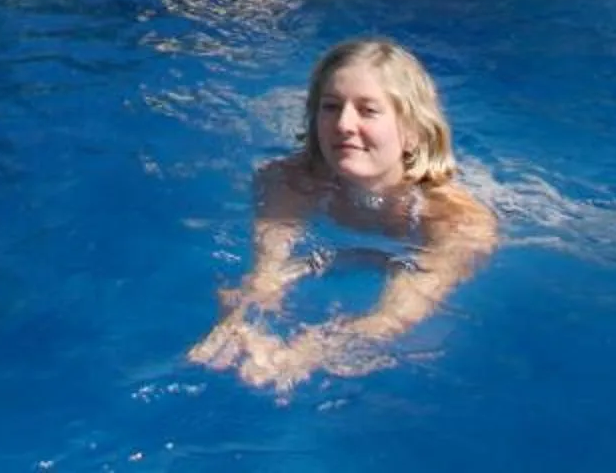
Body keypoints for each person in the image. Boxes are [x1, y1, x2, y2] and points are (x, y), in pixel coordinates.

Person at [189, 37, 500, 391]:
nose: (343, 124)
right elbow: (264, 278)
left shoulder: (457, 221)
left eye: (368, 110)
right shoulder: (286, 182)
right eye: (331, 107)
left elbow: (392, 318)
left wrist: (304, 354)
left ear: (412, 132)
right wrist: (240, 324)